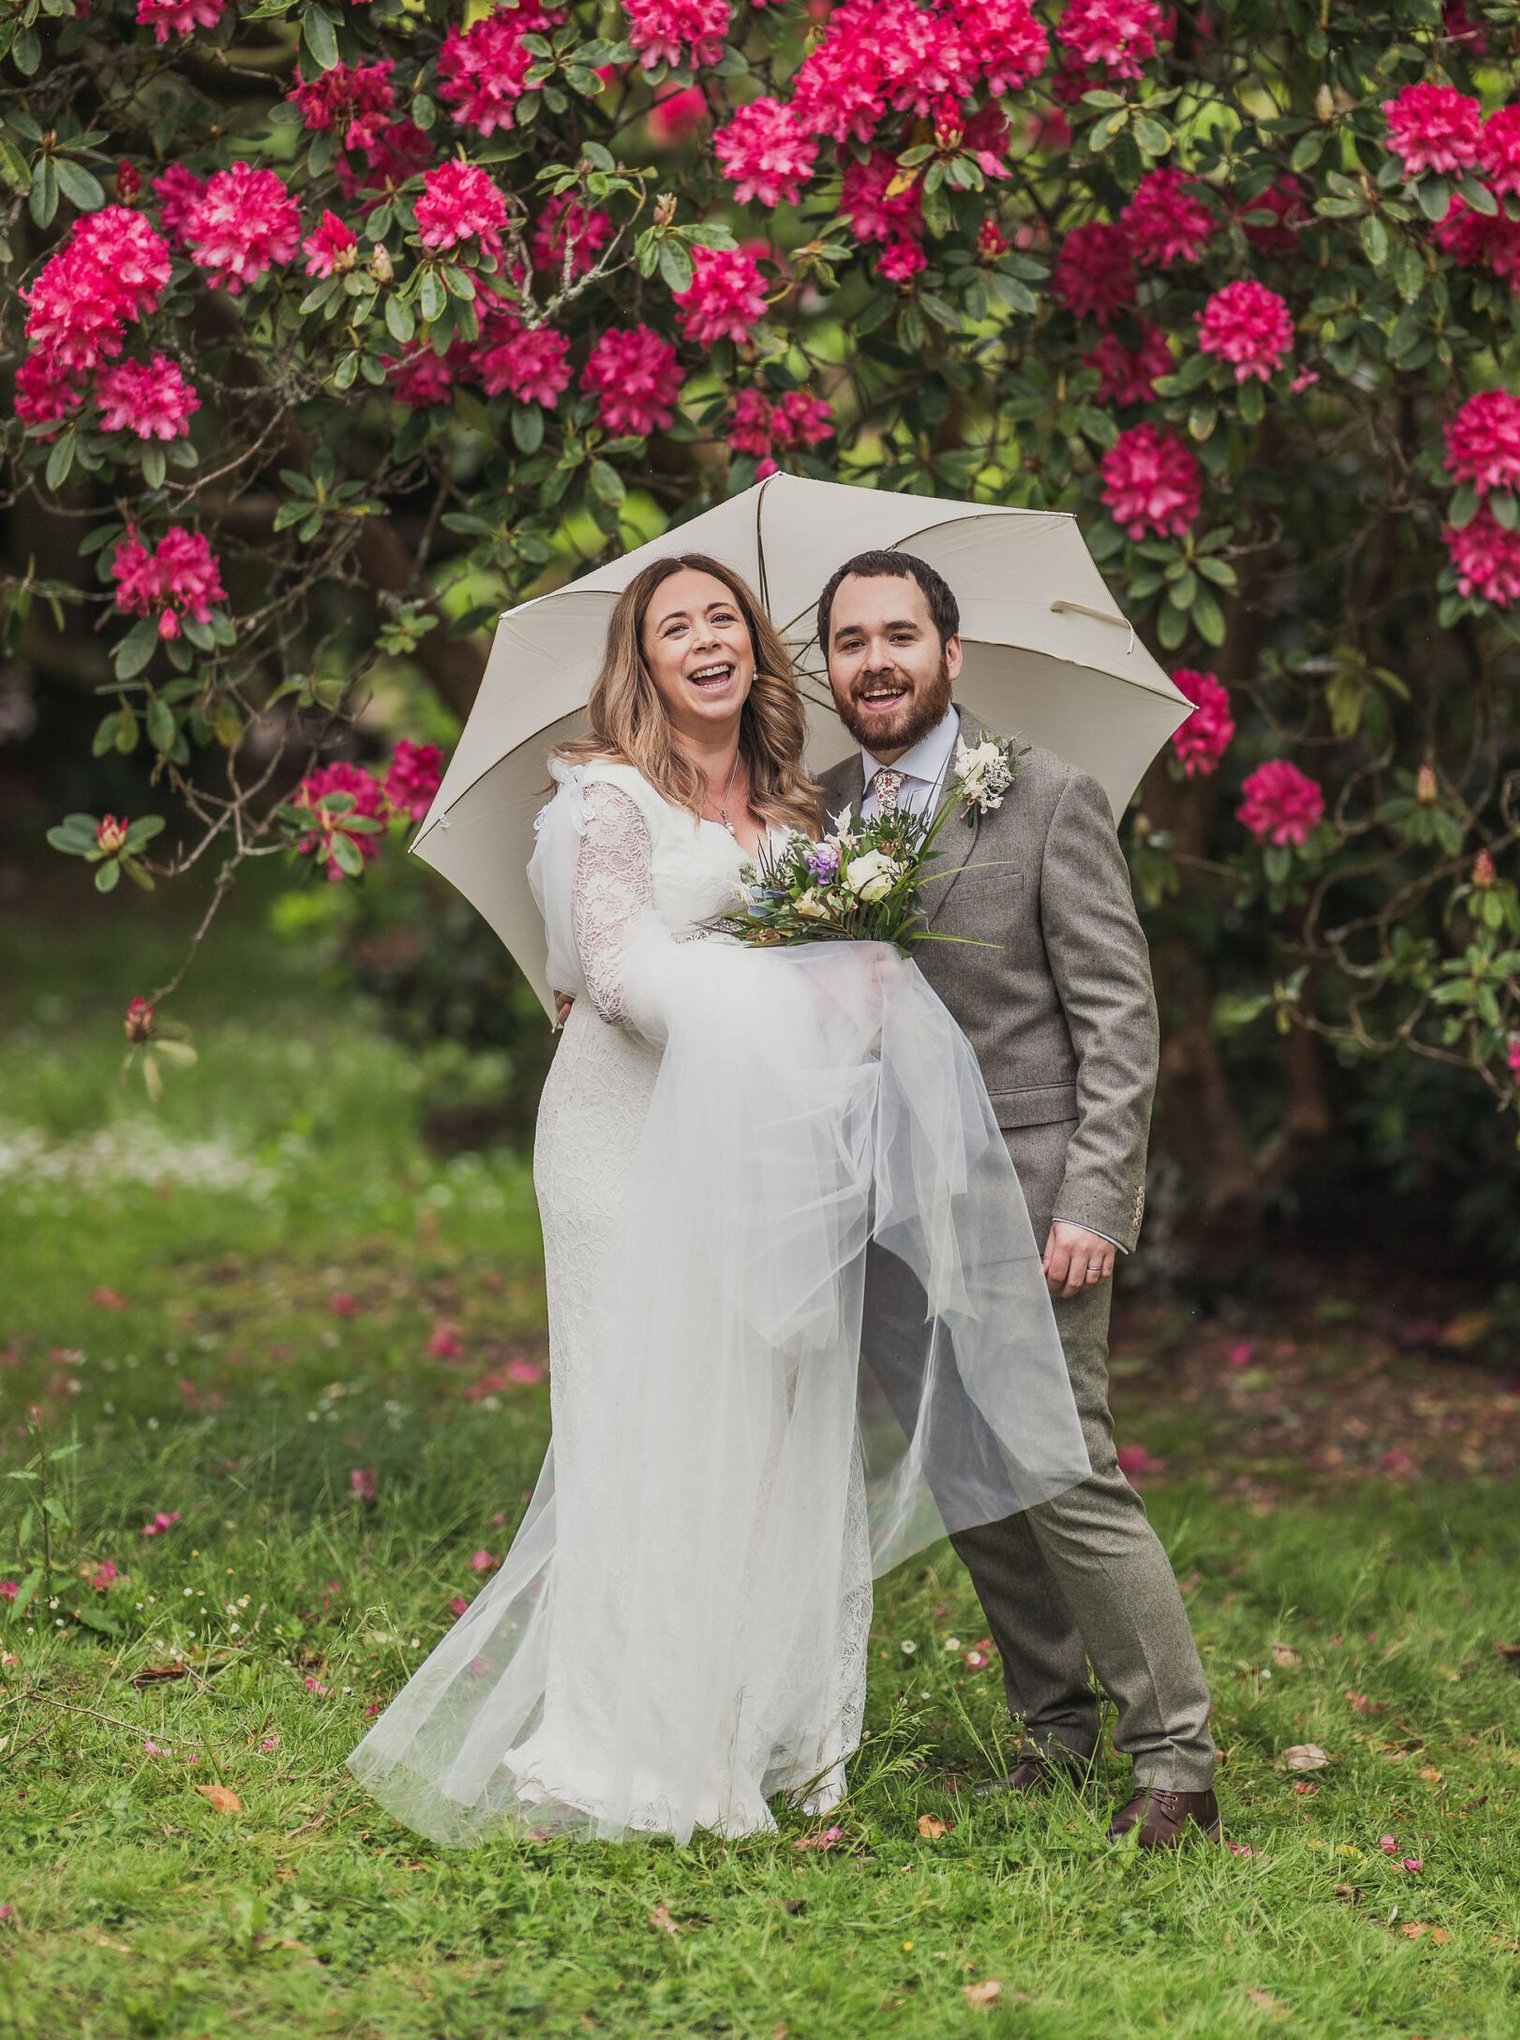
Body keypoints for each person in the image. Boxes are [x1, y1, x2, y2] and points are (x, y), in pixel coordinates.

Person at [345, 552, 1092, 1848]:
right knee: (645, 1429)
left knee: (755, 1427)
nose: (703, 639)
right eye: (672, 625)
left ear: (755, 650)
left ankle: (734, 1730)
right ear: (642, 662)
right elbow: (624, 981)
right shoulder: (604, 799)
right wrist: (814, 995)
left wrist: (856, 992)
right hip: (627, 1153)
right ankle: (626, 1745)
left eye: (723, 620)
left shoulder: (806, 814)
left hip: (761, 1163)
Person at [815, 548, 1220, 1851]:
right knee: (972, 1472)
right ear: (828, 670)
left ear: (951, 654)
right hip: (882, 1207)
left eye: (898, 635)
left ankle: (1177, 1761)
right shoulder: (810, 817)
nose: (874, 661)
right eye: (848, 642)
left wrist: (1097, 1200)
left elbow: (1119, 1019)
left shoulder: (1045, 798)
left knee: (1064, 1469)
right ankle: (1053, 1734)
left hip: (1033, 1194)